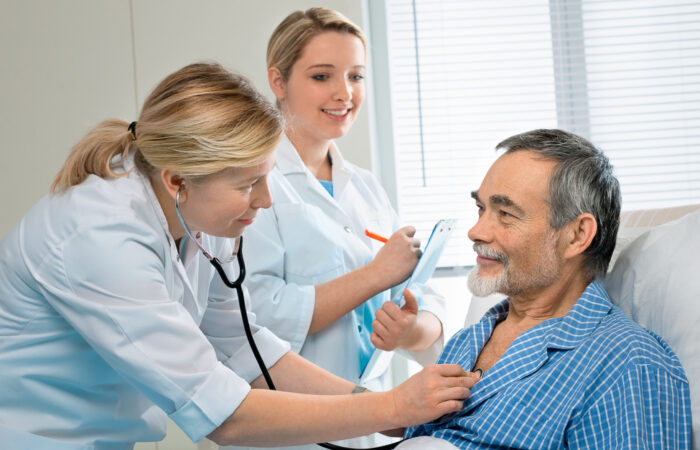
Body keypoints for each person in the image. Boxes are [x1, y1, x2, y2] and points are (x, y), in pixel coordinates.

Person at [0, 63, 478, 450]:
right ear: (177, 180)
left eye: (266, 177)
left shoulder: (204, 220)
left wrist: (384, 409)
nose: (266, 200)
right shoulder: (99, 237)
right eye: (249, 183)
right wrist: (392, 409)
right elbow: (222, 415)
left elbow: (247, 348)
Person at [398, 129, 692, 449]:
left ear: (577, 235)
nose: (475, 231)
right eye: (481, 209)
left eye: (506, 214)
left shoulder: (627, 363)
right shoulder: (466, 342)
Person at [235, 8, 447, 449]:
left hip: (371, 426)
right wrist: (376, 274)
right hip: (289, 429)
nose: (344, 93)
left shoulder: (366, 188)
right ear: (278, 82)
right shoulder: (252, 185)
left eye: (356, 76)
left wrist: (411, 329)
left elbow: (422, 301)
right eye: (321, 76)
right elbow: (257, 317)